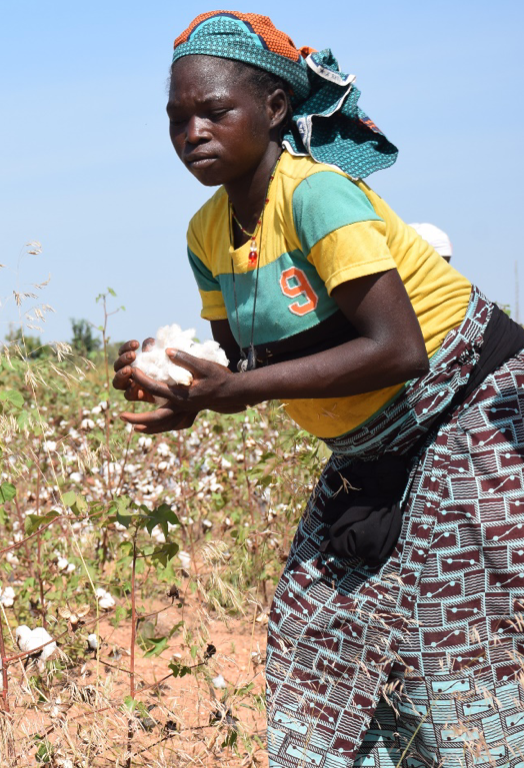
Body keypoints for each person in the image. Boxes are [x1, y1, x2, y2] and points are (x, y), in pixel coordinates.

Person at [112, 11, 524, 767]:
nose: (192, 132)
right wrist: (178, 381)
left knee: (451, 643)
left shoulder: (317, 196)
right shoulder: (207, 233)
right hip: (371, 446)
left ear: (273, 110)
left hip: (468, 412)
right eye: (177, 119)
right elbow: (245, 364)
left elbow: (397, 349)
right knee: (316, 627)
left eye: (213, 111)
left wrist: (243, 391)